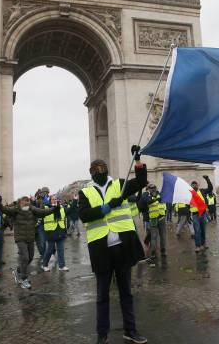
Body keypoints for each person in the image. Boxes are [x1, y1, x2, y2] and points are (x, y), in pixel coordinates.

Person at [78, 147, 148, 344]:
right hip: (101, 251)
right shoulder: (84, 192)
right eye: (95, 169)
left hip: (123, 247)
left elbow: (142, 181)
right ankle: (102, 335)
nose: (99, 172)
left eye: (102, 168)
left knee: (126, 293)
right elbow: (84, 215)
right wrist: (109, 206)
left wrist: (138, 160)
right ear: (91, 172)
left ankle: (130, 331)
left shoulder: (120, 184)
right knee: (102, 296)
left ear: (107, 169)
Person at [2, 196, 53, 289]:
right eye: (24, 203)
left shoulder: (32, 209)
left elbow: (43, 212)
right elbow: (5, 210)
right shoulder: (16, 209)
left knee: (30, 257)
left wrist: (54, 209)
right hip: (20, 238)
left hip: (30, 238)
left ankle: (18, 270)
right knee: (25, 257)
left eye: (27, 202)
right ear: (20, 203)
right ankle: (23, 279)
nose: (26, 204)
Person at [139, 183, 167, 264]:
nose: (152, 189)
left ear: (155, 188)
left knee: (162, 236)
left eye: (153, 187)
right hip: (153, 219)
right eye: (151, 188)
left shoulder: (160, 195)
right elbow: (147, 201)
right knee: (154, 237)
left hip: (161, 218)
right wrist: (155, 199)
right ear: (149, 189)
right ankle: (153, 252)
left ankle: (163, 250)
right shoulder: (147, 196)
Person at [42, 196, 69, 272]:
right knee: (50, 250)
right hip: (50, 232)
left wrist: (74, 201)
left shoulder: (61, 207)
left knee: (61, 250)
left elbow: (68, 213)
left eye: (55, 199)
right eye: (53, 199)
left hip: (60, 230)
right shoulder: (45, 207)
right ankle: (44, 265)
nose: (54, 200)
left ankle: (62, 266)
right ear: (50, 201)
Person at [190, 176, 213, 253]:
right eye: (192, 185)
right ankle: (198, 246)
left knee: (203, 230)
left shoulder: (202, 191)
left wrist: (207, 179)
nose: (194, 186)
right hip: (195, 215)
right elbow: (186, 204)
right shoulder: (189, 194)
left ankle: (203, 244)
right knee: (197, 230)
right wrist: (187, 216)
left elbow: (210, 188)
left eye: (195, 184)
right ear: (191, 186)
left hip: (202, 214)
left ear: (197, 185)